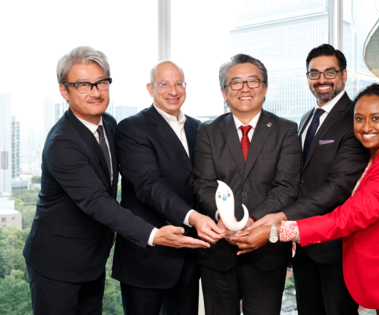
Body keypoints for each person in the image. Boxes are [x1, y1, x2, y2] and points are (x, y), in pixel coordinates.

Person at [235, 83, 379, 315]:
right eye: (359, 119)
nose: (366, 127)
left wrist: (276, 231)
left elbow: (345, 218)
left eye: (376, 118)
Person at [23, 46, 209, 315]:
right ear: (65, 91)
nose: (96, 91)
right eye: (83, 85)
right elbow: (97, 202)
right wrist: (154, 235)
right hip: (57, 263)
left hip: (93, 258)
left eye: (101, 83)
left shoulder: (108, 124)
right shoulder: (62, 143)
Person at [244, 44, 370, 315]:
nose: (321, 80)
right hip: (302, 245)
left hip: (335, 248)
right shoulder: (306, 119)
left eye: (329, 72)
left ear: (344, 75)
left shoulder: (354, 120)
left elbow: (338, 187)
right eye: (314, 73)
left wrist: (282, 216)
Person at [112, 60, 224, 315]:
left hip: (189, 257)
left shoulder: (199, 128)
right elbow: (149, 185)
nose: (173, 91)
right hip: (147, 259)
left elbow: (206, 182)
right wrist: (194, 217)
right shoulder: (132, 128)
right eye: (164, 84)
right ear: (150, 88)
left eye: (178, 84)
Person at [194, 53, 302, 315]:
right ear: (224, 91)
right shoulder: (207, 131)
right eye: (236, 83)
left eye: (253, 81)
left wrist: (252, 221)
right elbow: (204, 184)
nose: (245, 89)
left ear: (264, 88)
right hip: (218, 251)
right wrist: (225, 218)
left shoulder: (286, 130)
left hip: (265, 253)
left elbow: (286, 186)